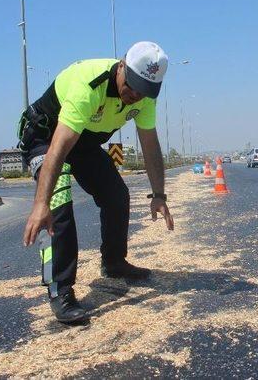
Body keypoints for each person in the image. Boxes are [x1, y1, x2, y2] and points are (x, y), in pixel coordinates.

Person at [18, 41, 174, 324]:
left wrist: (159, 194)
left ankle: (113, 263)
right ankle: (59, 290)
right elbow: (58, 149)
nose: (135, 95)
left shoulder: (144, 97)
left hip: (84, 142)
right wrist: (41, 203)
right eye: (132, 85)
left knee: (116, 195)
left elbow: (150, 145)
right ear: (122, 65)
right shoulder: (89, 85)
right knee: (58, 201)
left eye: (144, 91)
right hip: (46, 136)